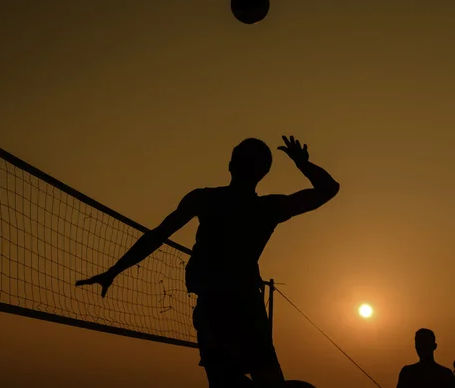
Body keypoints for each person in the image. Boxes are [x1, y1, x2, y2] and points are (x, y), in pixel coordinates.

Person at [76, 136, 340, 387]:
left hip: (222, 308)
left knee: (230, 380)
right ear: (263, 173)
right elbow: (329, 189)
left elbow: (156, 236)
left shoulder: (206, 199)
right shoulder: (266, 208)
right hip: (241, 308)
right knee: (250, 379)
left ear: (230, 165)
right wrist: (302, 163)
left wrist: (114, 270)